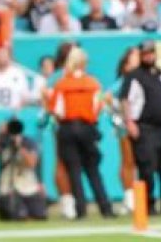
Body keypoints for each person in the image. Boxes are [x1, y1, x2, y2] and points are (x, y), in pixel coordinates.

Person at [119, 40, 161, 215]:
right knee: (147, 169)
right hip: (145, 128)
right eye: (146, 53)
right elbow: (125, 100)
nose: (149, 56)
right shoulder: (133, 76)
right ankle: (147, 205)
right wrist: (129, 122)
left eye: (151, 53)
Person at [47, 47, 115, 218]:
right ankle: (105, 208)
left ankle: (81, 210)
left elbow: (56, 111)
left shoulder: (61, 84)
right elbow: (97, 108)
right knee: (93, 170)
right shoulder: (93, 83)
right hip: (87, 128)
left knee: (74, 171)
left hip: (67, 129)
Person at [107, 47, 140, 214]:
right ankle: (129, 198)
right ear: (126, 65)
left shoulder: (141, 79)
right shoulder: (122, 82)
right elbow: (105, 97)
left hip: (142, 125)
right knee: (128, 161)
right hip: (124, 126)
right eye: (134, 57)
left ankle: (137, 198)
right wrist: (117, 115)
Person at [0, 118, 47, 221]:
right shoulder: (2, 141)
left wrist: (19, 146)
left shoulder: (28, 142)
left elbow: (32, 163)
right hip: (8, 187)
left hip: (27, 186)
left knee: (39, 215)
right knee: (19, 216)